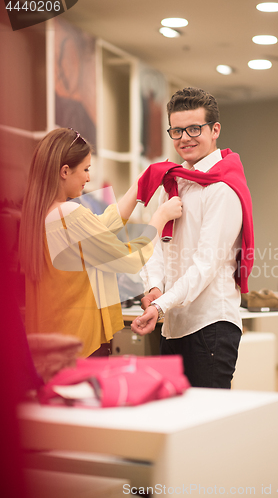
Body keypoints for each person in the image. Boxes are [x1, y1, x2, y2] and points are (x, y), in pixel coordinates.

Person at [19, 128, 182, 357]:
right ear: (65, 171)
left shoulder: (41, 215)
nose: (88, 177)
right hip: (79, 343)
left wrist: (141, 184)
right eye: (85, 170)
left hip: (52, 343)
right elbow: (129, 260)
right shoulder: (69, 215)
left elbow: (103, 225)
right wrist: (160, 216)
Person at [131, 87, 254, 388]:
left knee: (209, 428)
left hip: (211, 324)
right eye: (176, 130)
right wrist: (155, 287)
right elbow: (159, 245)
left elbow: (205, 265)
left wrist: (161, 306)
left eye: (194, 129)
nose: (184, 138)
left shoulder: (222, 188)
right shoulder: (174, 182)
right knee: (176, 423)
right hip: (174, 325)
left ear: (215, 130)